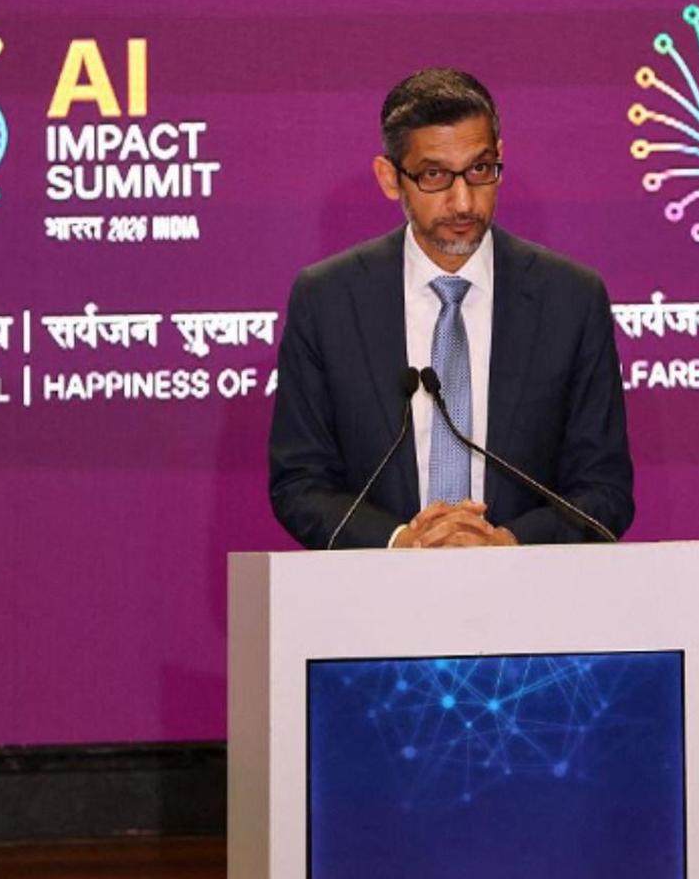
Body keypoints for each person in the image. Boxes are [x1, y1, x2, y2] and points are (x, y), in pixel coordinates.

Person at [269, 68, 632, 549]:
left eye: (480, 170)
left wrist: (509, 543)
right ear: (390, 178)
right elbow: (300, 483)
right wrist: (401, 541)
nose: (463, 202)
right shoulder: (329, 300)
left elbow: (604, 488)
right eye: (435, 176)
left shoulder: (570, 298)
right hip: (374, 606)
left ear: (500, 158)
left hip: (530, 603)